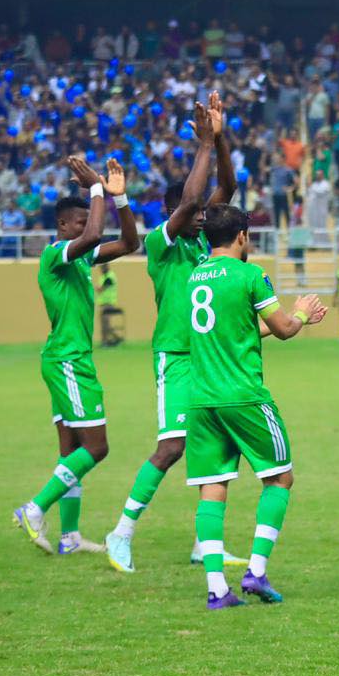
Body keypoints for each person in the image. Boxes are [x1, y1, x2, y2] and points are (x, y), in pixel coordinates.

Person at [105, 92, 238, 574]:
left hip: (210, 358)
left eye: (205, 212)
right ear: (174, 213)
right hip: (176, 358)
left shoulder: (205, 239)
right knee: (172, 447)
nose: (204, 215)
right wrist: (202, 144)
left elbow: (230, 185)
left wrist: (219, 139)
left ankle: (206, 545)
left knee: (215, 447)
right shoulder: (162, 243)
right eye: (197, 211)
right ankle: (121, 531)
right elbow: (189, 200)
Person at [185, 204, 328, 609]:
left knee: (212, 490)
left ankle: (217, 590)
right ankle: (257, 572)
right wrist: (300, 314)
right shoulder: (250, 275)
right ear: (243, 236)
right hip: (244, 397)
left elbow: (234, 332)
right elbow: (283, 329)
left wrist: (289, 321)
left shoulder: (196, 275)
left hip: (201, 402)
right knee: (280, 479)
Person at [14, 156, 140, 556]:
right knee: (97, 447)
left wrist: (119, 199)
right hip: (69, 360)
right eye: (80, 223)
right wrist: (97, 189)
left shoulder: (82, 256)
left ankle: (69, 537)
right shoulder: (56, 255)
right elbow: (94, 235)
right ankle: (34, 508)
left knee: (71, 451)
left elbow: (130, 243)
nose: (87, 228)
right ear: (63, 227)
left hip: (65, 358)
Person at [96, 264, 124, 347]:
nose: (101, 269)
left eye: (103, 267)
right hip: (103, 304)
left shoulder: (109, 277)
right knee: (105, 324)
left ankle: (111, 340)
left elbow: (101, 289)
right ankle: (107, 341)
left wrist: (98, 288)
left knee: (106, 324)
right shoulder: (103, 277)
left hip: (108, 304)